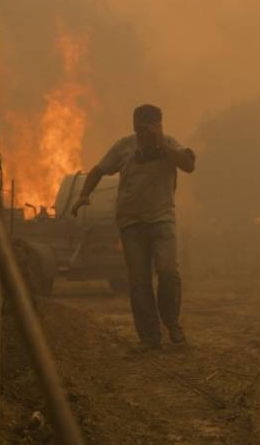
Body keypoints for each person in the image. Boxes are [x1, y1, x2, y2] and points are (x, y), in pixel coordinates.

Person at [71, 104, 196, 352]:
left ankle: (171, 322)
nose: (145, 134)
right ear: (134, 128)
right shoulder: (124, 147)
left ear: (159, 125)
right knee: (139, 282)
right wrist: (84, 193)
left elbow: (189, 164)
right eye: (140, 129)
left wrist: (161, 142)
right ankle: (149, 338)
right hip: (131, 223)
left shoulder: (170, 145)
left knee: (168, 272)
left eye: (150, 127)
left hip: (162, 219)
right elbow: (98, 170)